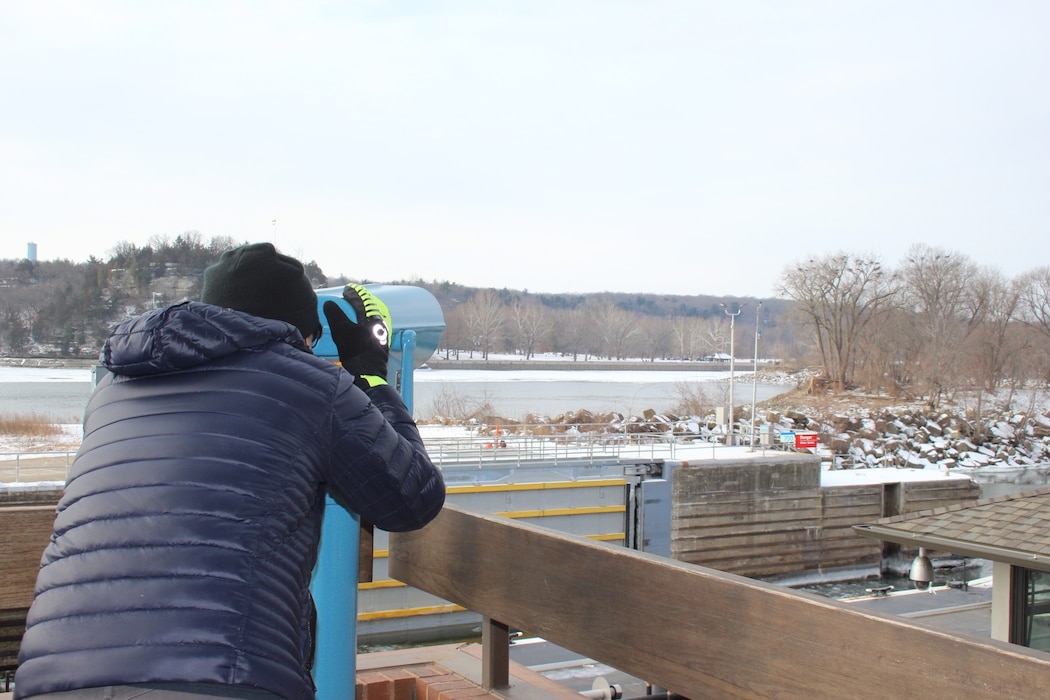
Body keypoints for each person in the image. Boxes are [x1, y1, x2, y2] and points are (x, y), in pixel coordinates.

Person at [14, 242, 445, 700]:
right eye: (311, 340)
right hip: (218, 675)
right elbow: (412, 497)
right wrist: (372, 374)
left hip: (54, 674)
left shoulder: (113, 390)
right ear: (298, 334)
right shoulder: (311, 385)